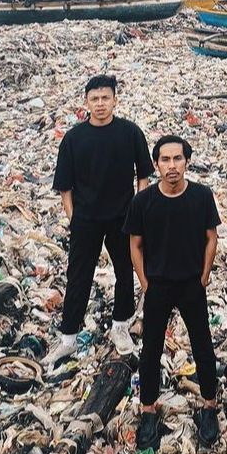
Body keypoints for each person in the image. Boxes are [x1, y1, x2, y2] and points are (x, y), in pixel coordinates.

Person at [124, 135, 220, 451]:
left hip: (192, 283)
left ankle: (209, 406)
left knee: (202, 345)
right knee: (151, 349)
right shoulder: (143, 201)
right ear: (156, 165)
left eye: (177, 159)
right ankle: (148, 410)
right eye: (165, 160)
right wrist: (145, 281)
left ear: (187, 162)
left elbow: (211, 237)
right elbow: (134, 244)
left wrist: (205, 275)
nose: (172, 166)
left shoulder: (202, 196)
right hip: (159, 285)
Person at [49, 74, 153, 363]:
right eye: (94, 99)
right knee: (78, 275)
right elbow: (65, 185)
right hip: (86, 219)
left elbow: (143, 174)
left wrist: (138, 208)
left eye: (105, 97)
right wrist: (73, 217)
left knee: (124, 271)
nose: (100, 103)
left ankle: (121, 326)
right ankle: (68, 337)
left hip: (122, 216)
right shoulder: (74, 138)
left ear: (115, 100)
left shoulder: (130, 133)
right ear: (86, 102)